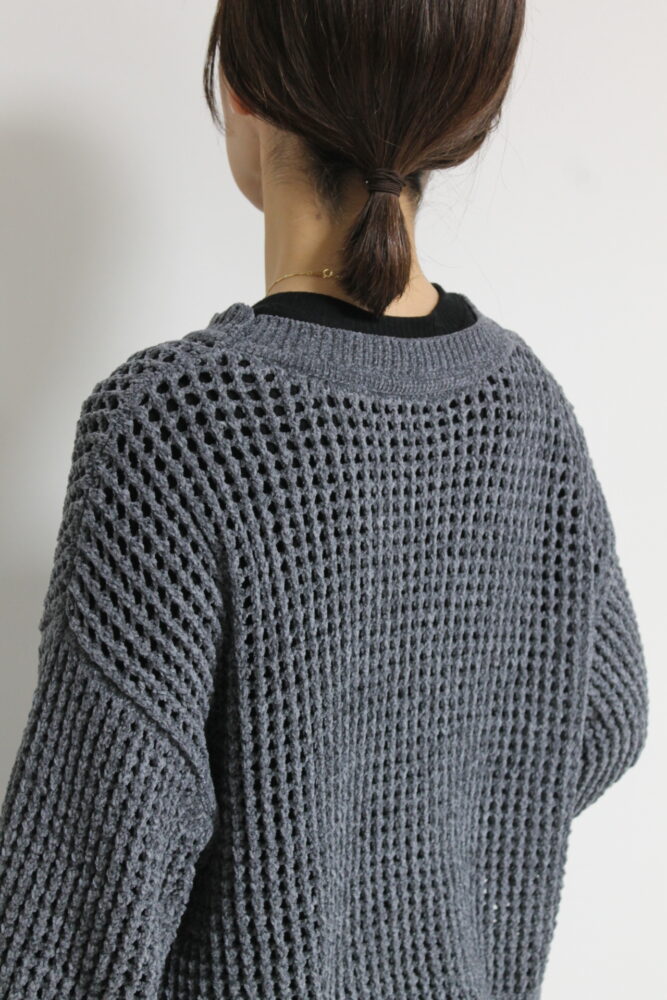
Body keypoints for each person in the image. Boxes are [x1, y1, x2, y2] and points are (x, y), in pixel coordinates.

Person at [0, 2, 649, 999]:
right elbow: (603, 713)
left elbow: (74, 908)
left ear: (241, 89)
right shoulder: (526, 410)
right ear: (457, 115)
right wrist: (429, 847)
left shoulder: (179, 426)